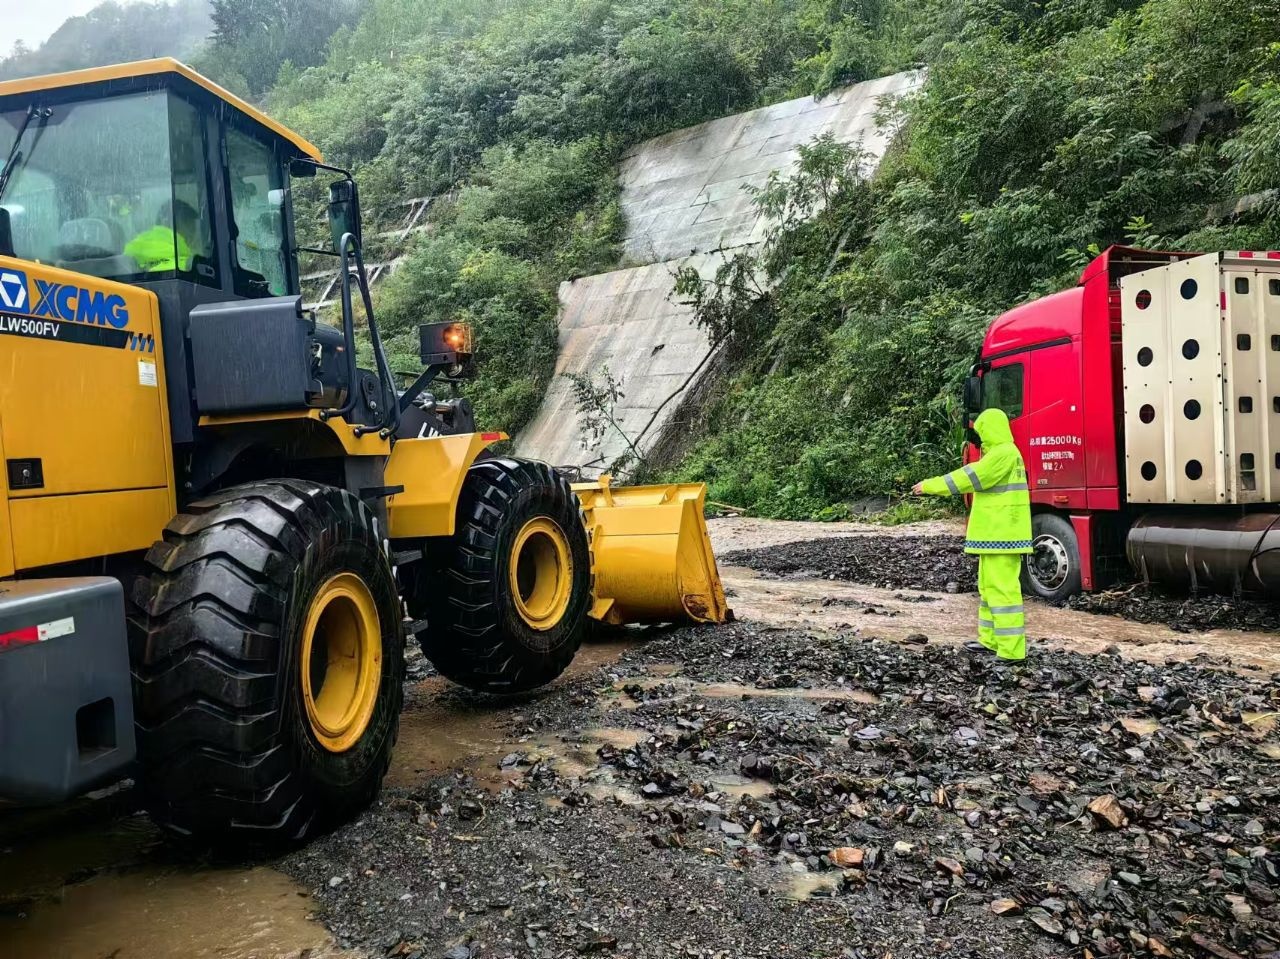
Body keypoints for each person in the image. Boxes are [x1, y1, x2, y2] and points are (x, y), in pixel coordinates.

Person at [911, 408, 1032, 660]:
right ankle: (990, 641)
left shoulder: (1003, 454)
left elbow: (971, 477)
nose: (978, 437)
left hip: (1003, 535)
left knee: (1003, 592)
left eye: (980, 431)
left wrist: (931, 486)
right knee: (989, 589)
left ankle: (1012, 651)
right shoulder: (1002, 454)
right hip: (995, 536)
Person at [124, 199, 198, 273]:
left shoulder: (129, 256)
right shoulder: (186, 267)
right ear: (167, 223)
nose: (192, 233)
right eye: (188, 226)